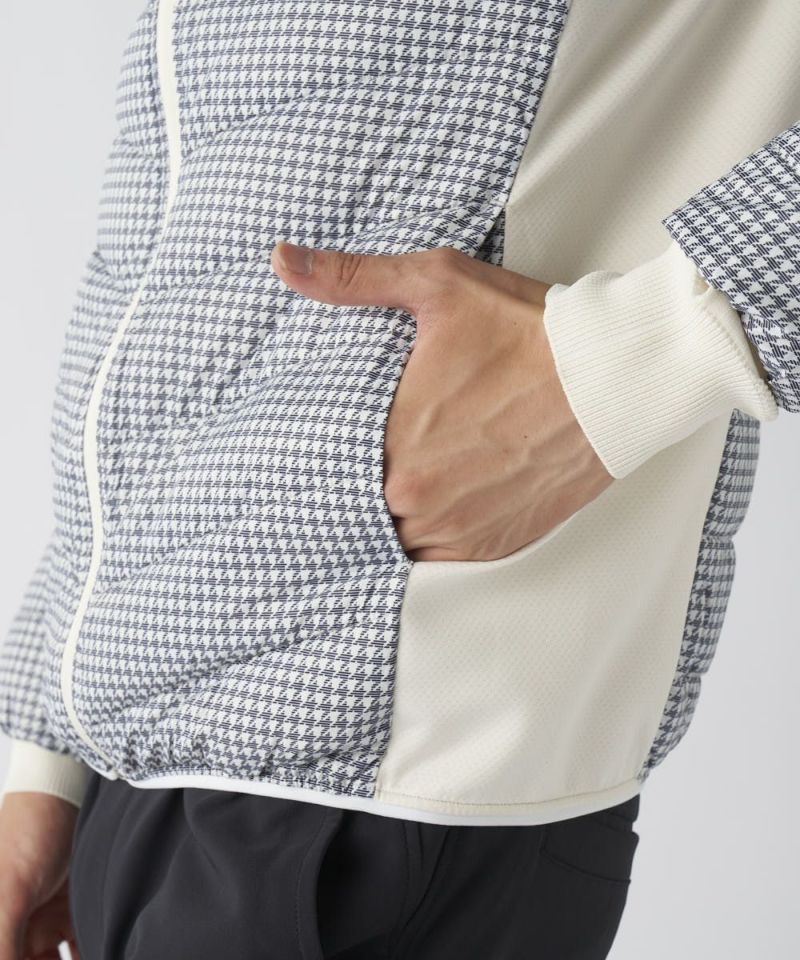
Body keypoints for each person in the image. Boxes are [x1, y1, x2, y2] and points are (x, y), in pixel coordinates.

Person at [0, 1, 797, 957]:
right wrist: (50, 740)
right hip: (138, 772)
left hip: (386, 748)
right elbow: (171, 244)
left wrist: (639, 359)